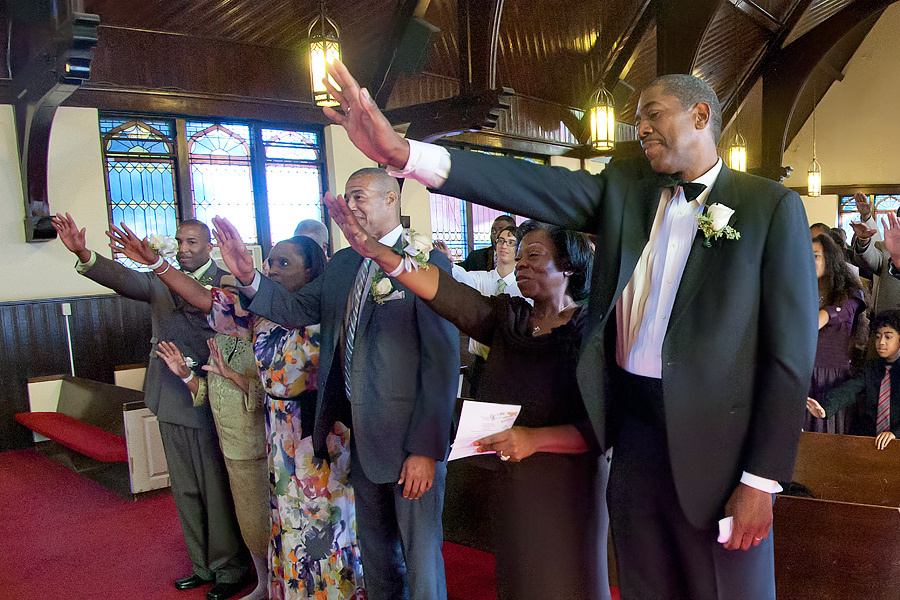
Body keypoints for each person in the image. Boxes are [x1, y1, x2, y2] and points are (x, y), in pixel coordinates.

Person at [319, 59, 818, 599]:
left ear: (701, 115)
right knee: (646, 585)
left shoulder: (770, 208)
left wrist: (761, 479)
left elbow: (788, 357)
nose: (641, 128)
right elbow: (531, 184)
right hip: (633, 437)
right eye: (636, 119)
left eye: (652, 114)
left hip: (719, 449)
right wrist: (406, 155)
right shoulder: (627, 187)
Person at [327, 194, 610, 600]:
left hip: (568, 485)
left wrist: (533, 439)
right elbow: (442, 291)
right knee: (519, 579)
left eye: (534, 254)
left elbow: (602, 426)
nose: (521, 263)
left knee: (567, 582)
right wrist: (374, 251)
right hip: (514, 477)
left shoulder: (591, 331)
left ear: (567, 264)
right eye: (521, 254)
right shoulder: (507, 318)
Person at [213, 168, 459, 600]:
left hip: (410, 438)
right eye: (347, 197)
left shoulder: (425, 261)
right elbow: (295, 308)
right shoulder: (345, 263)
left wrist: (425, 449)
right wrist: (250, 278)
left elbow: (442, 362)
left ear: (390, 200)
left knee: (421, 559)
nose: (351, 206)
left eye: (360, 196)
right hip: (358, 436)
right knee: (377, 553)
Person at [107, 229, 365, 600]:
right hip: (276, 434)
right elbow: (203, 298)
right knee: (285, 523)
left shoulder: (328, 314)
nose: (272, 269)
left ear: (311, 273)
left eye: (284, 263)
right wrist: (156, 263)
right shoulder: (258, 314)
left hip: (318, 433)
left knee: (325, 525)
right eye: (270, 262)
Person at [51, 214, 249, 600]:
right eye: (180, 242)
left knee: (216, 488)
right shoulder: (159, 278)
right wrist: (85, 254)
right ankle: (201, 565)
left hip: (212, 395)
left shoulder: (225, 280)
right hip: (170, 395)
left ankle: (230, 568)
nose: (184, 249)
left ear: (209, 247)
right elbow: (126, 280)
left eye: (193, 242)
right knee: (186, 489)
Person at [157, 327, 269, 600]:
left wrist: (232, 375)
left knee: (266, 521)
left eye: (231, 295)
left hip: (258, 449)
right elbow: (210, 393)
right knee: (248, 523)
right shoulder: (218, 340)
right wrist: (185, 374)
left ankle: (279, 583)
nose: (223, 303)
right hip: (229, 446)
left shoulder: (263, 336)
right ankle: (263, 584)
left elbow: (269, 392)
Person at [435, 225, 526, 396]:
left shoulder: (523, 287)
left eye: (510, 242)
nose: (504, 246)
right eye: (501, 241)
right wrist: (449, 262)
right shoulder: (482, 278)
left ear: (518, 248)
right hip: (480, 364)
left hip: (510, 367)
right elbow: (461, 278)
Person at [808, 310, 900, 449]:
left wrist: (894, 433)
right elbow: (849, 390)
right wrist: (825, 409)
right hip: (870, 441)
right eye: (877, 336)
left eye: (888, 337)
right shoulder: (871, 368)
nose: (881, 342)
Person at [807, 234, 866, 434]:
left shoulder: (850, 293)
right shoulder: (802, 290)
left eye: (815, 256)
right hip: (801, 374)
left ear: (830, 260)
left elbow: (826, 318)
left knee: (827, 439)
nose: (808, 260)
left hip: (830, 379)